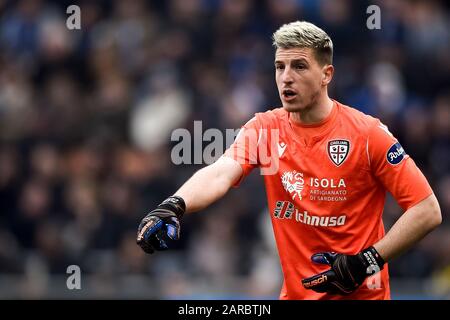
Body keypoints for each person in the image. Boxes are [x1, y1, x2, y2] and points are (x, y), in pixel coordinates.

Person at [136, 21, 442, 300]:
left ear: (326, 74)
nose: (286, 78)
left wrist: (367, 261)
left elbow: (427, 209)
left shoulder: (367, 134)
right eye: (279, 67)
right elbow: (221, 172)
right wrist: (176, 203)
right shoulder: (265, 129)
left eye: (299, 66)